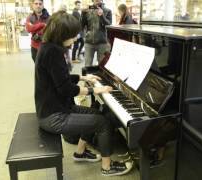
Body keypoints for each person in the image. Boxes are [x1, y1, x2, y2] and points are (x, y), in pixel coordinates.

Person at [35, 11, 133, 176]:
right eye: (73, 36)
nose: (75, 39)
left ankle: (80, 152)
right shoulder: (53, 52)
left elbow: (59, 78)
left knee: (95, 114)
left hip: (54, 109)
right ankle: (107, 167)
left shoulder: (48, 47)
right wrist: (95, 89)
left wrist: (82, 77)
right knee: (103, 123)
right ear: (62, 34)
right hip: (54, 117)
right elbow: (65, 89)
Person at [82, 0, 112, 67]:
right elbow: (82, 25)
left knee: (102, 65)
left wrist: (102, 16)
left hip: (102, 42)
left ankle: (101, 77)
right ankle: (88, 77)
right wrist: (83, 14)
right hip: (89, 42)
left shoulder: (107, 11)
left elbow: (109, 25)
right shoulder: (87, 11)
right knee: (87, 65)